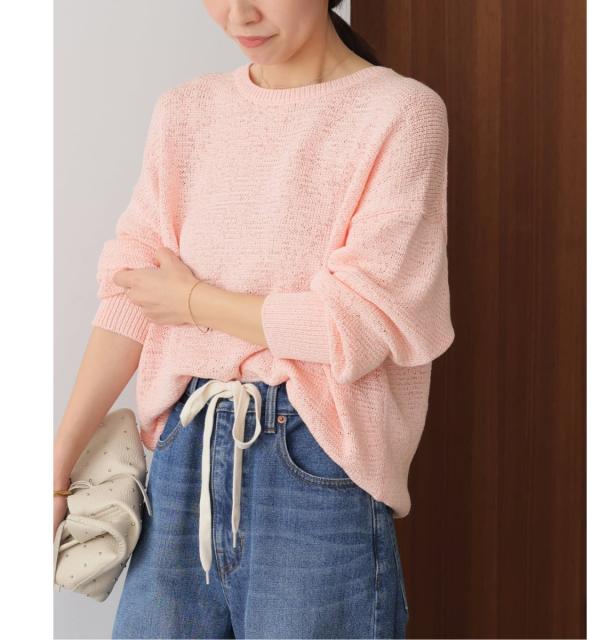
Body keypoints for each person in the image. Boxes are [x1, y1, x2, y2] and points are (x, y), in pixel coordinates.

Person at [53, 0, 455, 637]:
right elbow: (130, 294)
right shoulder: (186, 112)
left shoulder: (400, 114)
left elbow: (357, 323)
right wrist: (55, 466)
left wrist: (192, 302)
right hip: (181, 457)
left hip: (315, 460)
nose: (238, 14)